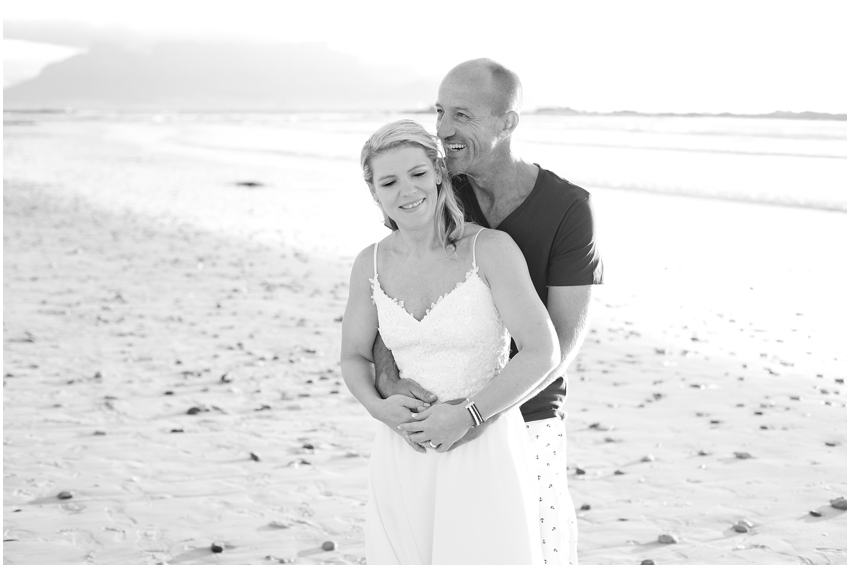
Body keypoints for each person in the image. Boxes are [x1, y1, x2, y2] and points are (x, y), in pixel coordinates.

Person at [373, 59, 604, 565]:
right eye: (439, 112)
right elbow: (389, 301)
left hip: (530, 415)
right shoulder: (430, 192)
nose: (443, 131)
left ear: (507, 123)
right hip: (431, 418)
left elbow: (561, 345)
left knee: (533, 551)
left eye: (463, 115)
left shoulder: (568, 208)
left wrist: (479, 417)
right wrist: (389, 384)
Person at [340, 119, 560, 564]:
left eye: (418, 174)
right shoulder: (371, 263)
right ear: (374, 192)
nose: (407, 191)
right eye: (389, 181)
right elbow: (353, 356)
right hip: (402, 450)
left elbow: (543, 351)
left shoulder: (492, 250)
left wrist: (469, 416)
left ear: (439, 174)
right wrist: (378, 407)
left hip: (482, 447)